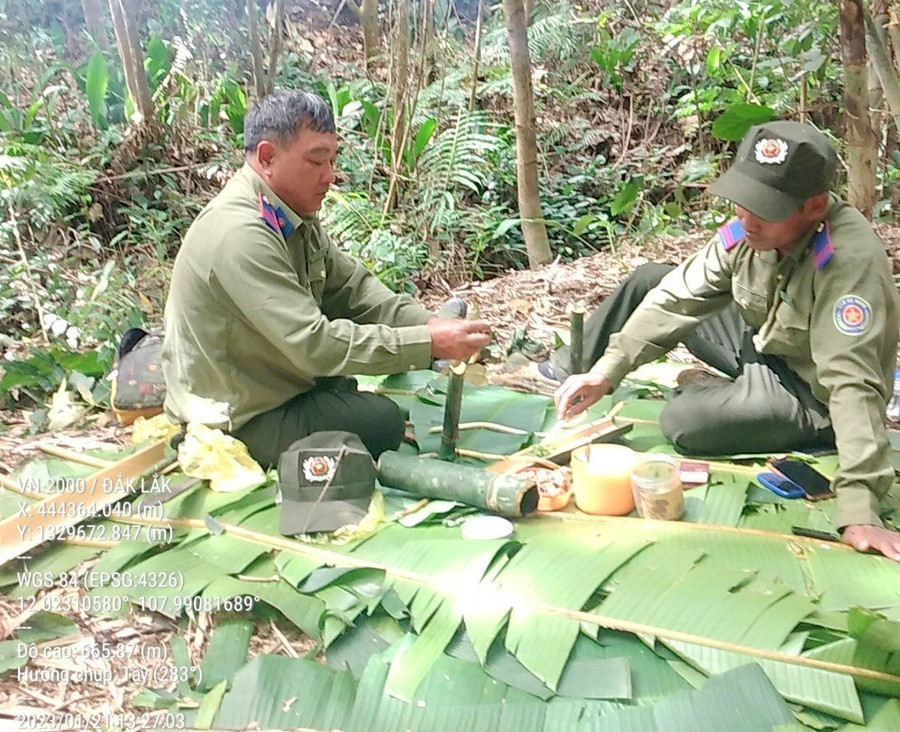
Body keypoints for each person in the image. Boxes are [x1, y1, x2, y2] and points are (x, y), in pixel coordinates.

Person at [542, 121, 900, 561]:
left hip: (810, 393)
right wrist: (605, 372)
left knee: (683, 424)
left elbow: (852, 383)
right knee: (653, 280)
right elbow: (678, 296)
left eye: (764, 208)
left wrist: (860, 506)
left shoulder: (847, 261)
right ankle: (726, 389)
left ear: (815, 206)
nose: (745, 219)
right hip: (765, 343)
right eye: (742, 202)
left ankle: (727, 395)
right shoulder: (749, 231)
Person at [161, 90, 490, 466]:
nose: (330, 176)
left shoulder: (288, 211)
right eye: (317, 161)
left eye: (332, 160)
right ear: (267, 157)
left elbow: (354, 291)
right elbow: (313, 345)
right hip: (234, 416)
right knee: (383, 422)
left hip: (275, 379)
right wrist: (429, 343)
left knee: (367, 393)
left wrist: (429, 325)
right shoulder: (240, 233)